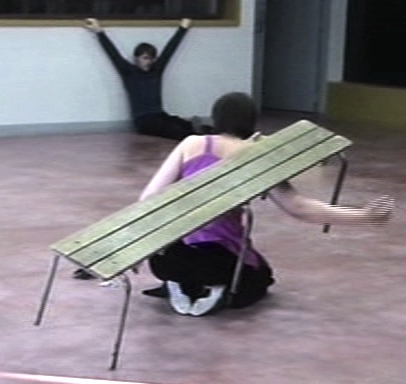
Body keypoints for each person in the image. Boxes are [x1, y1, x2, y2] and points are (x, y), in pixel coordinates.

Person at [138, 91, 394, 317]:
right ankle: (218, 289)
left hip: (167, 259)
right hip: (220, 262)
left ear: (215, 119)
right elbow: (298, 208)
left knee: (188, 259)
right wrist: (364, 216)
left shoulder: (191, 143)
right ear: (252, 122)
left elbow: (148, 199)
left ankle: (177, 283)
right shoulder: (257, 157)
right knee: (261, 277)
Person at [83, 16, 208, 141]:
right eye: (145, 58)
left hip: (160, 114)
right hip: (143, 120)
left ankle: (205, 133)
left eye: (151, 59)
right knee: (175, 130)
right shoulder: (128, 72)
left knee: (183, 124)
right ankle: (197, 139)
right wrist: (99, 31)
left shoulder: (156, 71)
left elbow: (169, 50)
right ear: (136, 58)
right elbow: (113, 53)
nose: (149, 62)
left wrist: (183, 28)